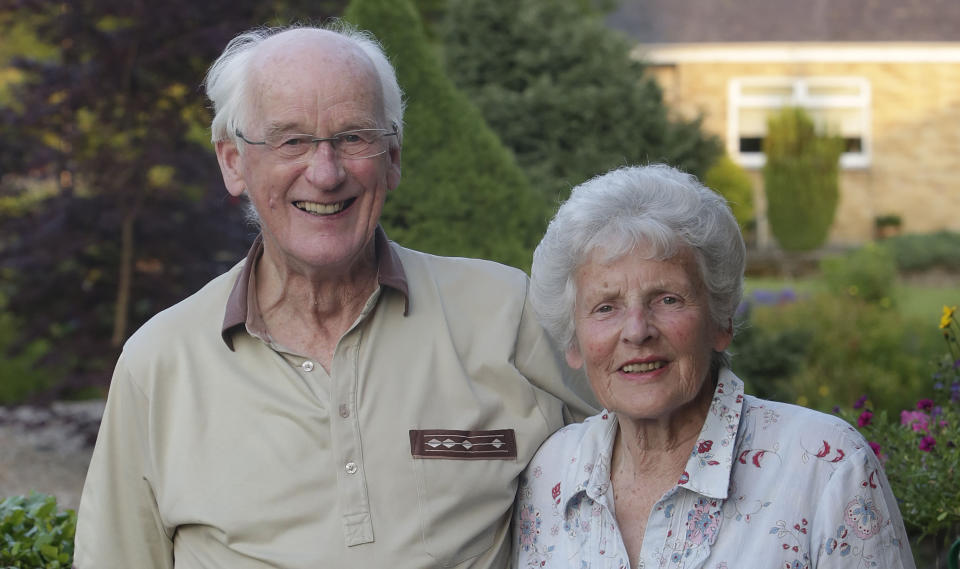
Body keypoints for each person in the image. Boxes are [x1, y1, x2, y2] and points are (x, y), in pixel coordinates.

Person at [74, 22, 597, 569]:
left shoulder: (506, 312)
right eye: (290, 139)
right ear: (233, 162)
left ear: (392, 158)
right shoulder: (160, 363)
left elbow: (653, 449)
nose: (325, 174)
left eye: (353, 137)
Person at [513, 164, 916, 568]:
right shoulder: (553, 471)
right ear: (574, 342)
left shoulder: (826, 466)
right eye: (605, 307)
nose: (637, 331)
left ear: (721, 320)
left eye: (667, 299)